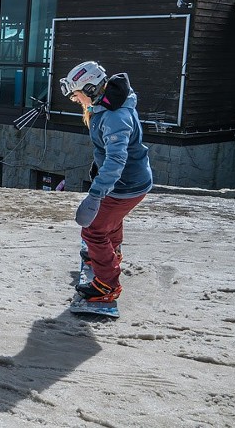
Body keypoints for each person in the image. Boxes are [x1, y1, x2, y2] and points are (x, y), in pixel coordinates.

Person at [60, 61, 152, 302]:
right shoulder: (108, 104)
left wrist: (96, 194)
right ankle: (113, 253)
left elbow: (116, 160)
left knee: (92, 231)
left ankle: (107, 285)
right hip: (128, 182)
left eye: (76, 96)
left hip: (125, 184)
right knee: (111, 220)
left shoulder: (115, 116)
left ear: (90, 89)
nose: (77, 101)